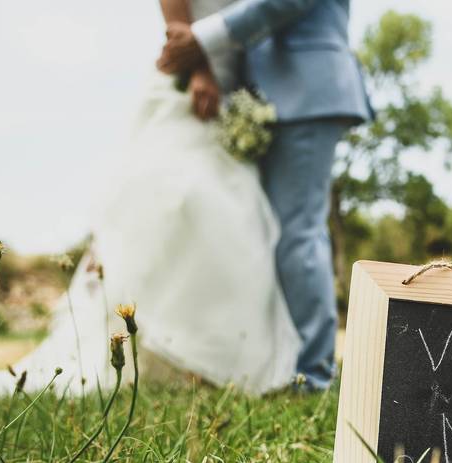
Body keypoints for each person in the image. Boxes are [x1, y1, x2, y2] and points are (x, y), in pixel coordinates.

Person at [0, 0, 361, 396]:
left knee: (282, 230)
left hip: (288, 87)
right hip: (222, 87)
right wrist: (196, 63)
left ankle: (310, 373)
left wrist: (201, 42)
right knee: (195, 214)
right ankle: (240, 366)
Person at [158, 0, 373, 390]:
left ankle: (313, 374)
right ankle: (280, 364)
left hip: (307, 87)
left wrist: (202, 40)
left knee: (297, 233)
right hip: (256, 94)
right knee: (262, 230)